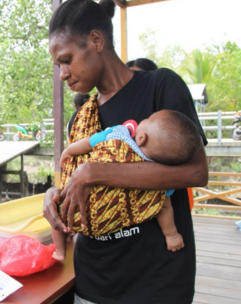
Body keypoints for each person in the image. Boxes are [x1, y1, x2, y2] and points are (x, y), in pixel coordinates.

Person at [43, 1, 208, 303]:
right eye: (58, 66)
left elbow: (196, 172)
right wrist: (53, 194)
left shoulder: (160, 86)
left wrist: (96, 172)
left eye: (67, 60)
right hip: (94, 280)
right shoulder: (81, 119)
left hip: (157, 280)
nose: (63, 74)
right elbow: (72, 178)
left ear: (96, 41)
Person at [51, 110, 202, 261]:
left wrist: (68, 151)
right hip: (105, 224)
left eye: (148, 119)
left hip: (75, 210)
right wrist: (172, 235)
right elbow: (164, 207)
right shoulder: (159, 178)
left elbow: (89, 142)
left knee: (56, 211)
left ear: (142, 138)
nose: (143, 119)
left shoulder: (117, 135)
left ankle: (60, 250)